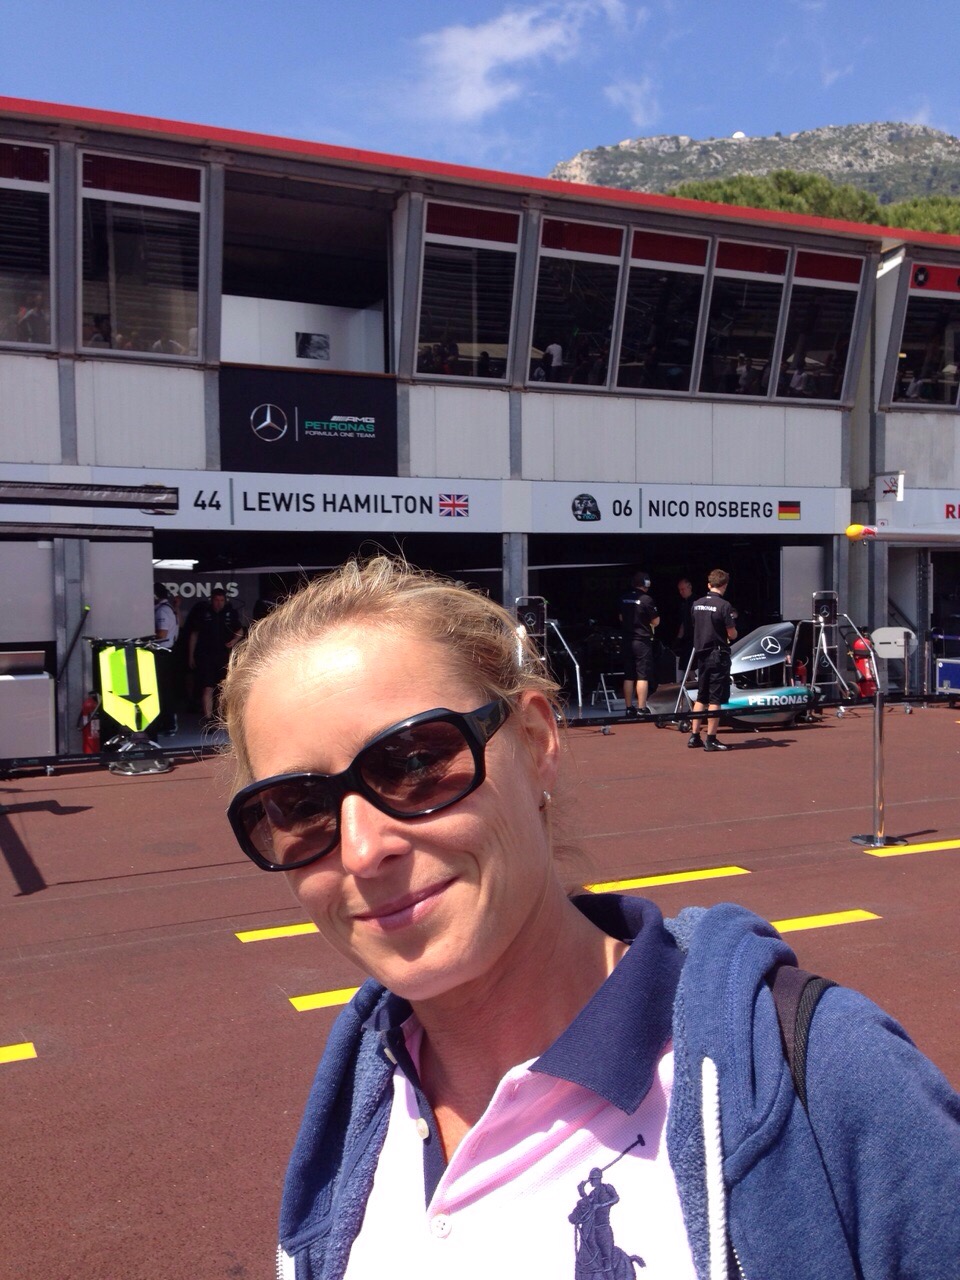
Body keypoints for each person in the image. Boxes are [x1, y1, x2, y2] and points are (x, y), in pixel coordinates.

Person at [220, 556, 960, 1280]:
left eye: (414, 762)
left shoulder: (823, 1074)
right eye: (298, 807)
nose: (362, 849)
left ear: (536, 741)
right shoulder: (356, 1105)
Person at [687, 569, 737, 752]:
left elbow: (696, 625)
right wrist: (734, 633)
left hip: (701, 654)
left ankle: (694, 736)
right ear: (724, 586)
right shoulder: (724, 605)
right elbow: (731, 633)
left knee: (701, 696)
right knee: (715, 698)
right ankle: (711, 739)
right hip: (717, 655)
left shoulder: (696, 604)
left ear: (709, 584)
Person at [187, 588, 243, 722]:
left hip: (223, 655)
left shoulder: (230, 613)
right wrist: (191, 655)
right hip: (206, 655)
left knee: (223, 687)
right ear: (212, 600)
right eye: (216, 600)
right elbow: (194, 635)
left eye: (222, 600)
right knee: (207, 687)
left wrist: (234, 640)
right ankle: (208, 718)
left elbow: (240, 630)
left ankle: (220, 717)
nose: (219, 603)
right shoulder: (203, 613)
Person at [618, 570, 659, 718]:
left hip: (627, 640)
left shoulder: (623, 598)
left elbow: (621, 617)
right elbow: (656, 621)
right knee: (642, 675)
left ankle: (629, 708)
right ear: (646, 584)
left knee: (629, 675)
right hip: (641, 640)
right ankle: (641, 708)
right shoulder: (647, 599)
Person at [153, 582, 180, 736]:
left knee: (164, 691)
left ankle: (169, 724)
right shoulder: (169, 608)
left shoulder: (162, 610)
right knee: (165, 690)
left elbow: (161, 634)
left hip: (163, 653)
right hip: (168, 652)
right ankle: (168, 723)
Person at [674, 577, 695, 677]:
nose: (681, 592)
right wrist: (679, 638)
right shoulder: (683, 603)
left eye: (683, 589)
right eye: (679, 590)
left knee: (691, 665)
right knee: (686, 665)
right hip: (686, 639)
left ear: (689, 587)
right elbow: (683, 622)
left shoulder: (696, 602)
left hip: (695, 638)